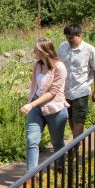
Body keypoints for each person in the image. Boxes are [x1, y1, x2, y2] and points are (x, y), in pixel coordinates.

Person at [20, 37, 69, 172]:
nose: (33, 51)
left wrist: (30, 105)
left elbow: (52, 93)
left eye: (36, 49)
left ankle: (60, 168)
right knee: (31, 140)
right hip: (36, 108)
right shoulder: (37, 65)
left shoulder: (60, 68)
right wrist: (32, 102)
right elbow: (35, 86)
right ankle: (30, 176)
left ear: (44, 51)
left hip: (55, 109)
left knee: (57, 143)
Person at [58, 24, 95, 140]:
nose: (69, 40)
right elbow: (57, 66)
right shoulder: (63, 47)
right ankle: (77, 141)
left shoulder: (89, 50)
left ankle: (75, 147)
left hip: (81, 90)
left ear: (79, 35)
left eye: (71, 38)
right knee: (70, 117)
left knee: (79, 119)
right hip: (65, 91)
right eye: (67, 37)